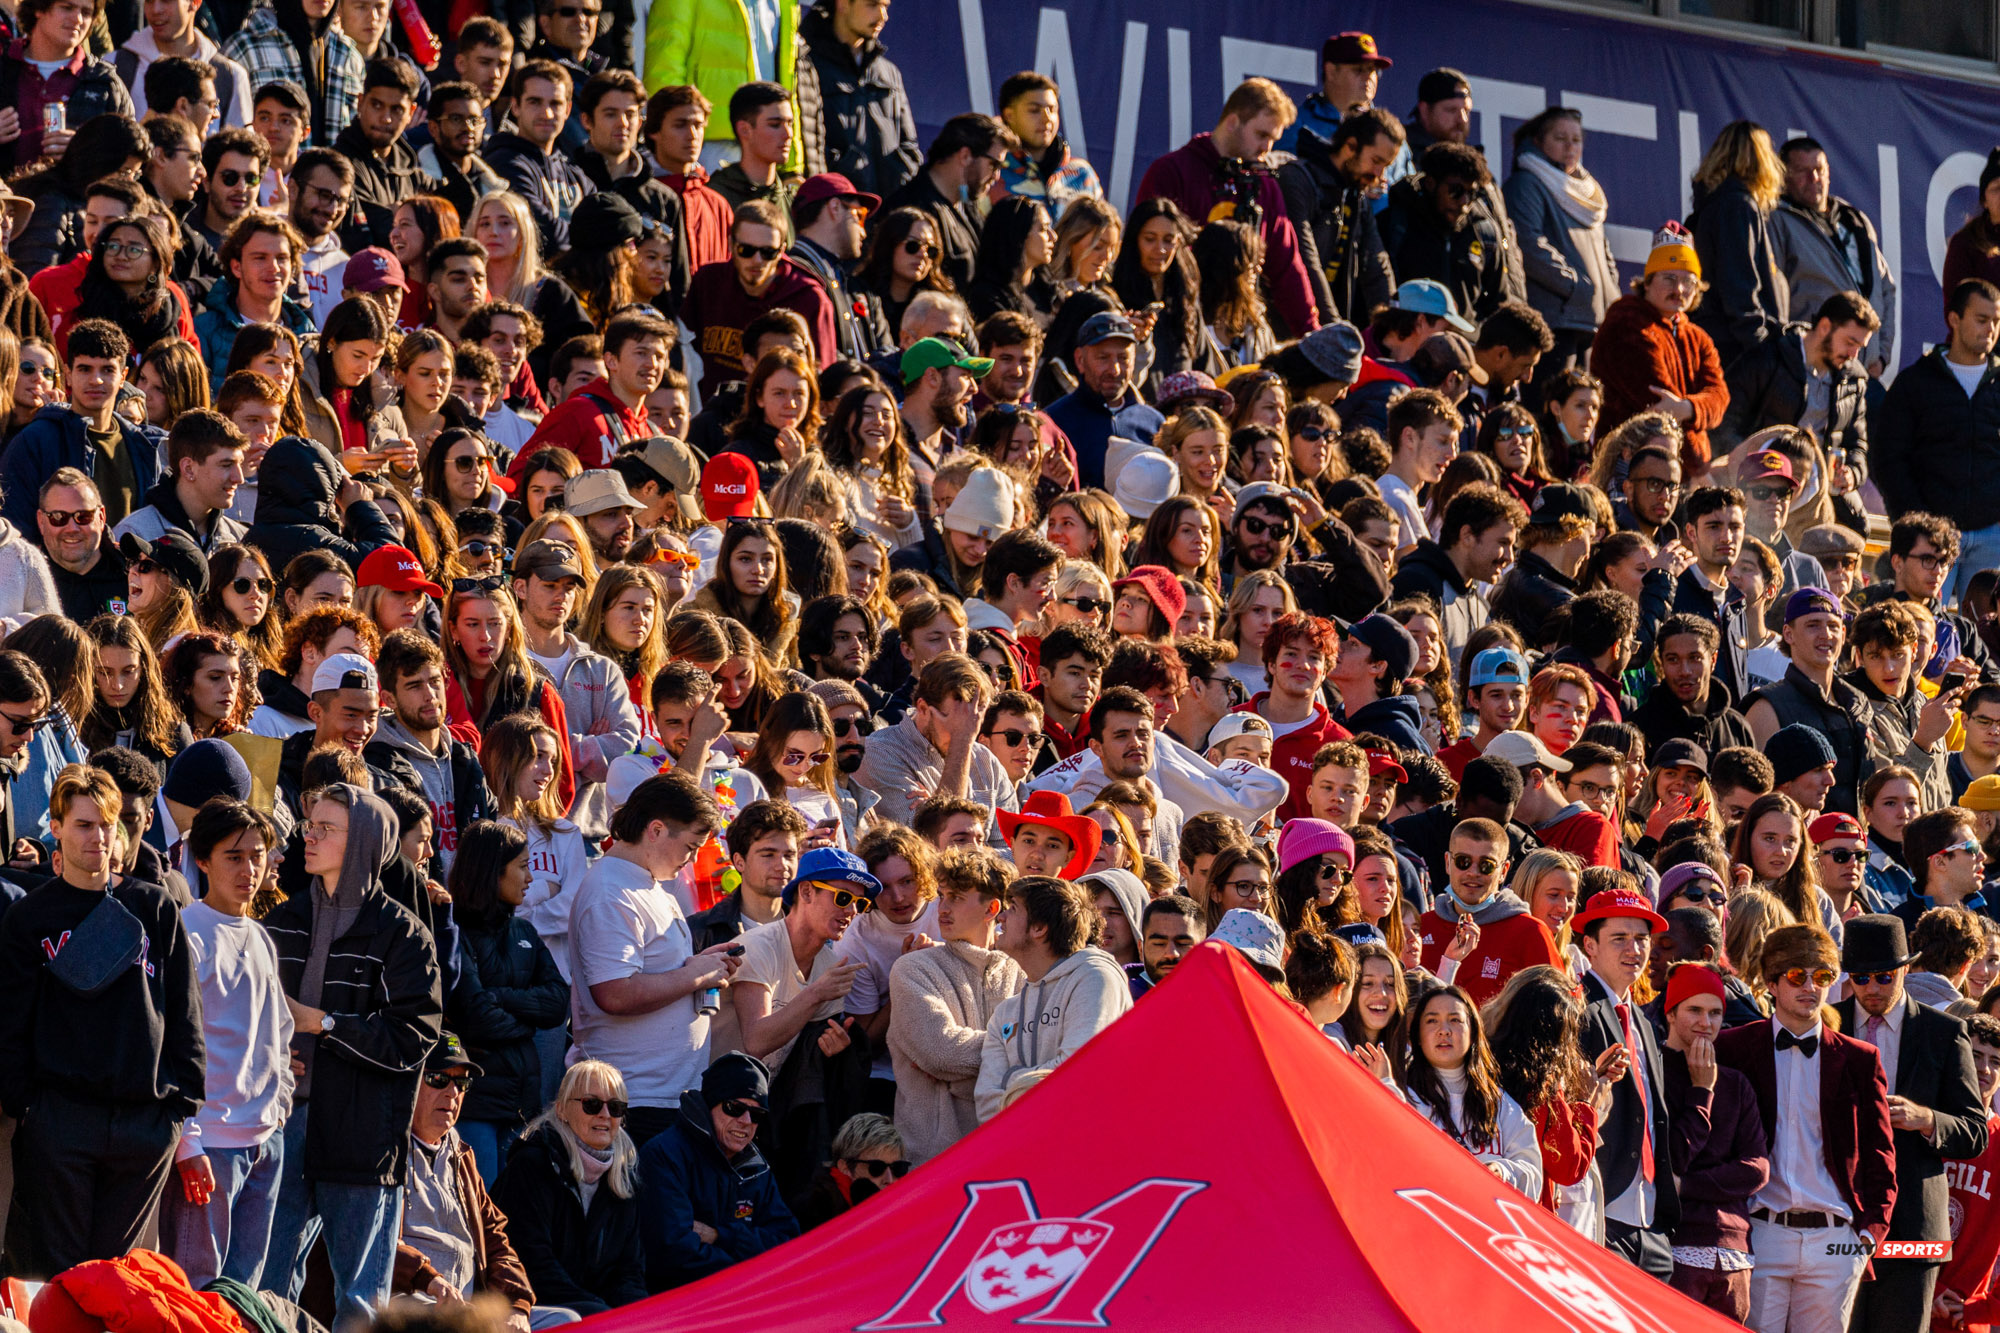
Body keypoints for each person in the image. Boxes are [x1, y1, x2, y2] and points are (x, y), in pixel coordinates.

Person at [0, 764, 201, 1276]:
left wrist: (179, 1107)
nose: (98, 837)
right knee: (58, 1277)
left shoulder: (153, 906)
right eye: (84, 824)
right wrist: (29, 1107)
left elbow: (183, 1008)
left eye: (108, 824)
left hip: (144, 1122)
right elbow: (11, 1024)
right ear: (57, 826)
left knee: (117, 1280)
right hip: (60, 1118)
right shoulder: (29, 918)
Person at [262, 782, 443, 1325]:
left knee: (362, 1306)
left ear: (363, 840)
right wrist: (275, 1052)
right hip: (283, 1125)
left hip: (363, 1134)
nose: (308, 837)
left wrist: (323, 1024)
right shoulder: (282, 920)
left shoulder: (405, 934)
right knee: (266, 1288)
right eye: (308, 825)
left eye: (326, 828)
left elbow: (414, 1036)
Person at [1716, 924, 1898, 1333]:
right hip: (1761, 1231)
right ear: (1771, 983)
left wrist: (1871, 1232)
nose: (1810, 987)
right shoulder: (1734, 1049)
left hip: (1835, 1239)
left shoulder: (1860, 1059)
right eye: (1797, 976)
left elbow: (1879, 1150)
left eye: (1822, 977)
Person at [1831, 914, 1990, 1332]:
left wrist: (1927, 1119)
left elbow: (1974, 1131)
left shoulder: (1945, 1031)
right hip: (1836, 1222)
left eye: (1883, 976)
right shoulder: (1826, 1024)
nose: (1872, 988)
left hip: (1913, 1228)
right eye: (1860, 978)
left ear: (1906, 969)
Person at [567, 771, 735, 1148]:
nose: (691, 860)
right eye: (691, 846)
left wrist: (700, 967)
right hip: (634, 1102)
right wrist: (694, 977)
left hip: (665, 1097)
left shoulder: (648, 884)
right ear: (656, 830)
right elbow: (615, 993)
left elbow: (656, 973)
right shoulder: (612, 891)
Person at [387, 1031, 565, 1328]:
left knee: (566, 1321)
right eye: (438, 1080)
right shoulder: (384, 1151)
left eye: (462, 1082)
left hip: (470, 1308)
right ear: (410, 1083)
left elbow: (496, 1238)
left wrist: (517, 1305)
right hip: (408, 1302)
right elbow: (374, 1243)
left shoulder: (461, 1154)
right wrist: (429, 1280)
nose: (452, 1093)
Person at [1136, 78, 1318, 340]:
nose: (1267, 148)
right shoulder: (1172, 172)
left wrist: (1310, 335)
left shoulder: (1265, 186)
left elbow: (1287, 267)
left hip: (1240, 331)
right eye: (1262, 135)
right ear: (1232, 122)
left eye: (1273, 139)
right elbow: (1145, 254)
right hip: (1177, 327)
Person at [886, 847, 1020, 1163]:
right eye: (942, 896)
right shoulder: (911, 969)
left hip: (1007, 1156)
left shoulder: (1023, 970)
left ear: (993, 908)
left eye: (956, 898)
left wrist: (963, 1076)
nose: (942, 908)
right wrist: (1016, 1053)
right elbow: (943, 1052)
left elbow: (1047, 1053)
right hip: (932, 1163)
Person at [1570, 882, 1677, 1276]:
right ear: (1589, 946)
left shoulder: (1645, 1023)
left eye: (1641, 938)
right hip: (1602, 1210)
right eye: (1619, 938)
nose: (1634, 949)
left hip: (1651, 1222)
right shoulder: (1576, 1007)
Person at [488, 1059, 648, 1317]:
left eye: (616, 1107)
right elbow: (532, 1265)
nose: (605, 1115)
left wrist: (637, 1314)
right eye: (591, 1104)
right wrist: (600, 1312)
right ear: (561, 1110)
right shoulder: (532, 1165)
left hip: (591, 1307)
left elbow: (628, 1272)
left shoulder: (623, 1175)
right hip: (523, 1304)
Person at [1876, 279, 2000, 606]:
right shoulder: (1915, 383)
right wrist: (1916, 524)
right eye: (1981, 319)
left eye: (1996, 321)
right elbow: (1889, 458)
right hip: (1928, 543)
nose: (1990, 329)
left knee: (1986, 644)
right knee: (1920, 630)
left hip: (1994, 536)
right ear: (1954, 319)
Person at [1658, 961, 1771, 1322]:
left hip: (1734, 1250)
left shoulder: (1736, 1083)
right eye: (1694, 1010)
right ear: (1671, 1013)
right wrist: (1701, 1091)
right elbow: (1673, 1157)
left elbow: (1756, 1169)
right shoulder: (1654, 1070)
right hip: (1676, 1245)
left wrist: (1686, 1185)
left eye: (1715, 1013)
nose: (1706, 1023)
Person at [635, 1050, 796, 1291]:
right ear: (709, 1105)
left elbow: (787, 1244)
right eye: (734, 1107)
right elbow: (675, 1254)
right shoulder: (664, 1155)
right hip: (677, 1302)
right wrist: (751, 1270)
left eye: (757, 1114)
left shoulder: (757, 1167)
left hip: (743, 1297)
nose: (745, 1120)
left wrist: (720, 1235)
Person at [975, 875, 1130, 1120]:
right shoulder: (1005, 1013)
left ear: (1039, 928)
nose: (1000, 917)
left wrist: (1012, 1078)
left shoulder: (1096, 977)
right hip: (1023, 1150)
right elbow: (985, 1107)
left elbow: (1078, 1073)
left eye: (1012, 908)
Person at [1590, 223, 1731, 478]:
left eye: (1689, 281)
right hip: (1628, 469)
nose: (1679, 290)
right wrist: (1698, 469)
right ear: (1648, 281)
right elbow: (1660, 405)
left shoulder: (1698, 337)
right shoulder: (1626, 322)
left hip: (1681, 471)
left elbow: (1720, 397)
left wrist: (1688, 408)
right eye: (1670, 279)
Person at [1, 320, 166, 534]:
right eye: (85, 369)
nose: (96, 380)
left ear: (123, 376)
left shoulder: (146, 446)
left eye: (107, 370)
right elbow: (15, 532)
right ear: (68, 374)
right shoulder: (35, 441)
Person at [679, 200, 838, 402]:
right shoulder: (709, 281)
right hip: (710, 414)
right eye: (746, 250)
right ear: (731, 244)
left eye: (768, 252)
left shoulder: (809, 298)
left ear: (781, 251)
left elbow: (821, 379)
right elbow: (684, 351)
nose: (757, 261)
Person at [1399, 984, 1543, 1197]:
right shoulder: (1403, 1100)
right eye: (1432, 1021)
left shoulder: (1499, 1103)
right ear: (1417, 1036)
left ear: (1473, 1032)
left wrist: (1503, 1172)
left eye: (1455, 1020)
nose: (1444, 1030)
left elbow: (1532, 1172)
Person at [1745, 589, 1871, 816]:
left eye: (1833, 626)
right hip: (1799, 844)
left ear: (1843, 634)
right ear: (1788, 634)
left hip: (1857, 845)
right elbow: (1757, 799)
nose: (1826, 634)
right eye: (1813, 625)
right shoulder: (1767, 707)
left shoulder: (1858, 703)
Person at [1417, 815, 1564, 1006]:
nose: (1473, 872)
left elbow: (1558, 1011)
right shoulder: (1420, 927)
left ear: (1503, 871)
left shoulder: (1530, 932)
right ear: (1447, 862)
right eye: (1463, 861)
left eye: (1487, 865)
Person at [1390, 481, 1526, 676]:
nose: (1509, 557)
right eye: (1503, 543)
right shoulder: (1417, 584)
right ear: (1467, 535)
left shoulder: (1479, 603)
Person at [1686, 121, 1789, 371]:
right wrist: (1760, 343)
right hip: (1737, 349)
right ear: (1761, 161)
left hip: (1715, 340)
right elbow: (1739, 283)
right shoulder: (1738, 206)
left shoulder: (1709, 207)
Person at [797, 0, 919, 197]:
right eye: (872, 5)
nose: (883, 16)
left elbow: (909, 145)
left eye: (885, 7)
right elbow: (806, 141)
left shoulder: (889, 72)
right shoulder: (808, 65)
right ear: (843, 4)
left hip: (890, 214)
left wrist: (902, 178)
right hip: (838, 209)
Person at [485, 60, 597, 255]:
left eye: (555, 104)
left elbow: (607, 230)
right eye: (534, 102)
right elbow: (543, 233)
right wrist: (590, 240)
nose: (546, 113)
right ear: (515, 106)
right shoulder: (503, 164)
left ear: (568, 110)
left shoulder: (578, 176)